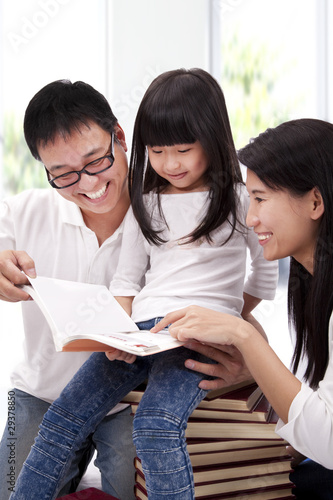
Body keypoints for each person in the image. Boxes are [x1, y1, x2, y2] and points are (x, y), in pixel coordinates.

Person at [10, 68, 278, 500]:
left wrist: (231, 319)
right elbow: (128, 277)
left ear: (212, 139)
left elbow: (265, 273)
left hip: (197, 334)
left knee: (156, 424)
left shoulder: (241, 198)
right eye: (156, 150)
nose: (170, 163)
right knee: (62, 418)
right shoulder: (146, 200)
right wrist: (117, 331)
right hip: (140, 332)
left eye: (183, 150)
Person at [153, 118, 333, 500]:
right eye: (250, 198)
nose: (251, 219)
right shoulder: (312, 283)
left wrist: (243, 335)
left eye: (262, 198)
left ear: (316, 201)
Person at [0, 80, 137, 500]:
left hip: (132, 399)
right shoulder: (26, 211)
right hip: (41, 393)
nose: (87, 184)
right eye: (63, 174)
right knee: (11, 489)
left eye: (96, 161)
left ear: (119, 136)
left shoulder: (164, 216)